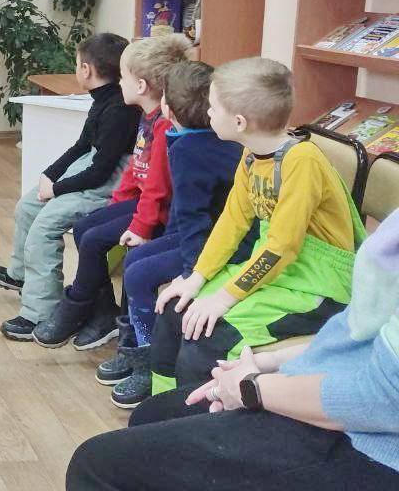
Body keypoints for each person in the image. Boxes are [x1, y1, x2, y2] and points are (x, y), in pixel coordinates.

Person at [66, 210, 399, 490]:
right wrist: (269, 362)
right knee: (151, 413)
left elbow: (381, 399)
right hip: (337, 383)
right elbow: (360, 334)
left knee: (94, 467)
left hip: (370, 446)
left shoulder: (299, 164)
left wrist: (252, 387)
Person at [151, 57, 364, 393]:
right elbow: (232, 222)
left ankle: (195, 416)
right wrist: (198, 277)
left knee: (208, 338)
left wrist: (223, 299)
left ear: (239, 122)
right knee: (173, 312)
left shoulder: (302, 161)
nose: (208, 112)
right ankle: (160, 410)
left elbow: (282, 247)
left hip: (321, 286)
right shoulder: (251, 155)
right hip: (280, 271)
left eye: (213, 106)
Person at [96, 61, 249, 408]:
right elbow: (187, 213)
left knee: (138, 273)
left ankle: (149, 361)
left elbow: (195, 219)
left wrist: (194, 274)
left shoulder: (191, 149)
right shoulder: (190, 140)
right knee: (135, 261)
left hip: (214, 244)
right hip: (200, 236)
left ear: (167, 108)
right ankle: (133, 346)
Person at [34, 34, 190, 349]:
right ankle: (102, 311)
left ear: (141, 86)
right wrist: (115, 207)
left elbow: (157, 187)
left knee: (93, 239)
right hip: (142, 205)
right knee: (84, 228)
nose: (119, 84)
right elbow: (135, 169)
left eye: (123, 78)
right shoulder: (147, 117)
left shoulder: (163, 125)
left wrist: (140, 228)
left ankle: (77, 305)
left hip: (157, 213)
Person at [0, 33, 141, 340]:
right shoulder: (102, 99)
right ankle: (21, 276)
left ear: (86, 69)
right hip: (93, 169)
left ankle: (40, 312)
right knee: (28, 205)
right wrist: (50, 175)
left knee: (45, 227)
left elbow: (100, 172)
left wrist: (57, 190)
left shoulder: (119, 110)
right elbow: (83, 145)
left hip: (108, 180)